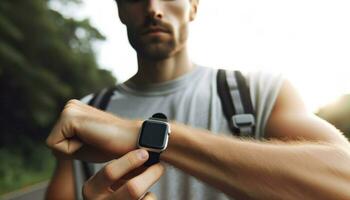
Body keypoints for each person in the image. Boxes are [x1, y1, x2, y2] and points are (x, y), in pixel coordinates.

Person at [45, 0, 350, 199]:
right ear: (120, 9)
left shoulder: (259, 93)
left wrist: (142, 134)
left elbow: (344, 180)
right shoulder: (85, 115)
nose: (153, 8)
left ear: (193, 6)